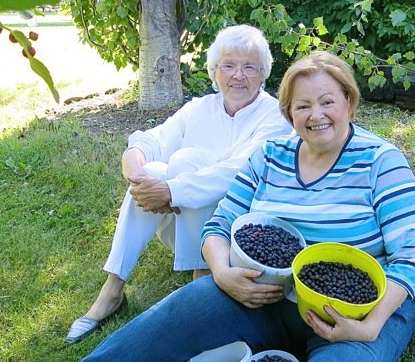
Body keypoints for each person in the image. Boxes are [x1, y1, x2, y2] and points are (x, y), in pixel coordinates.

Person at [8, 51, 415, 362]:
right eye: (302, 106)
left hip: (357, 306)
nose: (316, 116)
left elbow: (411, 252)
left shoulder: (381, 161)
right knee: (185, 309)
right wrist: (222, 271)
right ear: (288, 112)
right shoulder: (271, 156)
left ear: (350, 102)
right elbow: (220, 222)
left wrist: (371, 325)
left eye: (327, 102)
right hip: (268, 292)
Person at [64, 24, 292, 344]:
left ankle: (199, 284)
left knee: (187, 161)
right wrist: (137, 170)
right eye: (228, 65)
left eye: (249, 67)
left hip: (236, 238)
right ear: (214, 71)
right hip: (181, 228)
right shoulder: (200, 108)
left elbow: (238, 172)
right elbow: (152, 140)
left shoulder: (274, 116)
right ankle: (112, 290)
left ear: (264, 73)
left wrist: (173, 190)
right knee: (155, 170)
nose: (238, 75)